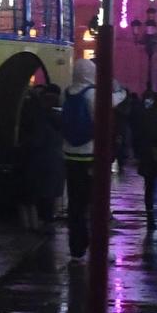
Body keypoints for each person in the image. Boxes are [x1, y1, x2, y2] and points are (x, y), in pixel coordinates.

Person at [63, 60, 99, 259]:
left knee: (75, 204)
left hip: (69, 154)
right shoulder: (92, 94)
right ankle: (95, 245)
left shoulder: (66, 92)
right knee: (95, 203)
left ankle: (76, 247)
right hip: (90, 154)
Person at [20, 83, 65, 233]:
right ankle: (47, 220)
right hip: (54, 158)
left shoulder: (37, 116)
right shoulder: (59, 116)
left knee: (39, 191)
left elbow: (36, 140)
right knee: (49, 192)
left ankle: (38, 221)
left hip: (40, 158)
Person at [131, 91, 157, 229]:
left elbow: (138, 134)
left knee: (149, 185)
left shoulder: (146, 114)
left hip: (147, 154)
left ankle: (150, 214)